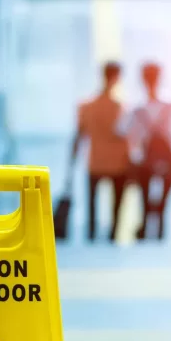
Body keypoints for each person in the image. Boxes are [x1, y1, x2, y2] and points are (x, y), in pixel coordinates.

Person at [123, 62, 171, 240]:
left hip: (145, 161)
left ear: (142, 80)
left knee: (144, 204)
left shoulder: (136, 110)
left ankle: (144, 236)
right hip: (169, 161)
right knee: (163, 206)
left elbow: (121, 131)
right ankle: (160, 238)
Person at [71, 61, 130, 242]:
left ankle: (91, 235)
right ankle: (112, 236)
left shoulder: (86, 106)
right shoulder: (120, 108)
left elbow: (78, 136)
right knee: (116, 206)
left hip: (95, 162)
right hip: (118, 163)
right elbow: (128, 136)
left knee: (92, 205)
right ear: (117, 78)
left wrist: (71, 163)